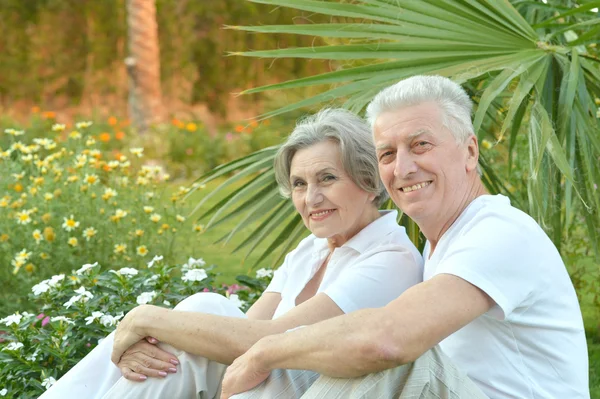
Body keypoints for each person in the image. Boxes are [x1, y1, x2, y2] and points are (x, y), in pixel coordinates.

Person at [221, 76, 590, 399]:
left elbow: (388, 340)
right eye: (387, 153)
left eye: (420, 145)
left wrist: (265, 351)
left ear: (470, 152)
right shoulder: (440, 245)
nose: (402, 168)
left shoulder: (500, 232)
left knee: (392, 358)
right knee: (333, 352)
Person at [39, 108, 423, 399]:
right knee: (205, 317)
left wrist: (143, 317)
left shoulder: (390, 258)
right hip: (249, 385)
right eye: (299, 184)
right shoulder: (310, 251)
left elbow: (260, 338)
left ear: (369, 181)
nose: (311, 198)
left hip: (293, 391)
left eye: (327, 178)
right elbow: (238, 336)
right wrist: (145, 332)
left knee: (205, 314)